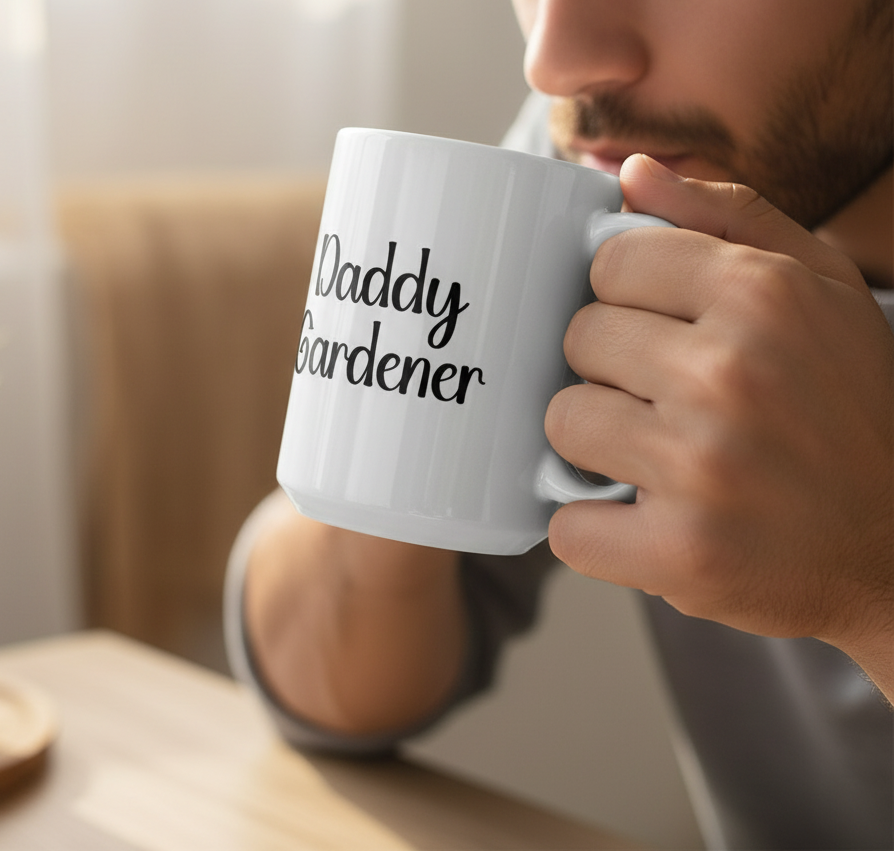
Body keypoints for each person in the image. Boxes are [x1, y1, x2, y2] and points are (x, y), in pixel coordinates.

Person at [224, 1, 894, 848]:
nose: (553, 60)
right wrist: (393, 424)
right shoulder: (624, 164)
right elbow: (333, 692)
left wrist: (874, 580)